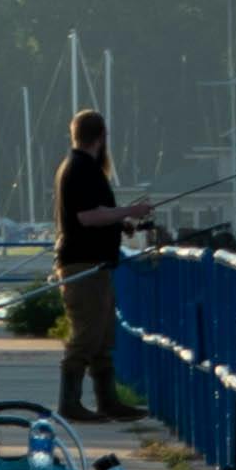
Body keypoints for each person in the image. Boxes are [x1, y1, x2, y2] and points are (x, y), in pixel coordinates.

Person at [50, 106, 158, 420]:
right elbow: (87, 216)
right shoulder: (81, 168)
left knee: (102, 336)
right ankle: (69, 404)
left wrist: (118, 224)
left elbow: (95, 215)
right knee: (86, 335)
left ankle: (107, 401)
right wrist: (128, 212)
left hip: (94, 265)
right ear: (101, 137)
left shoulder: (78, 166)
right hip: (83, 266)